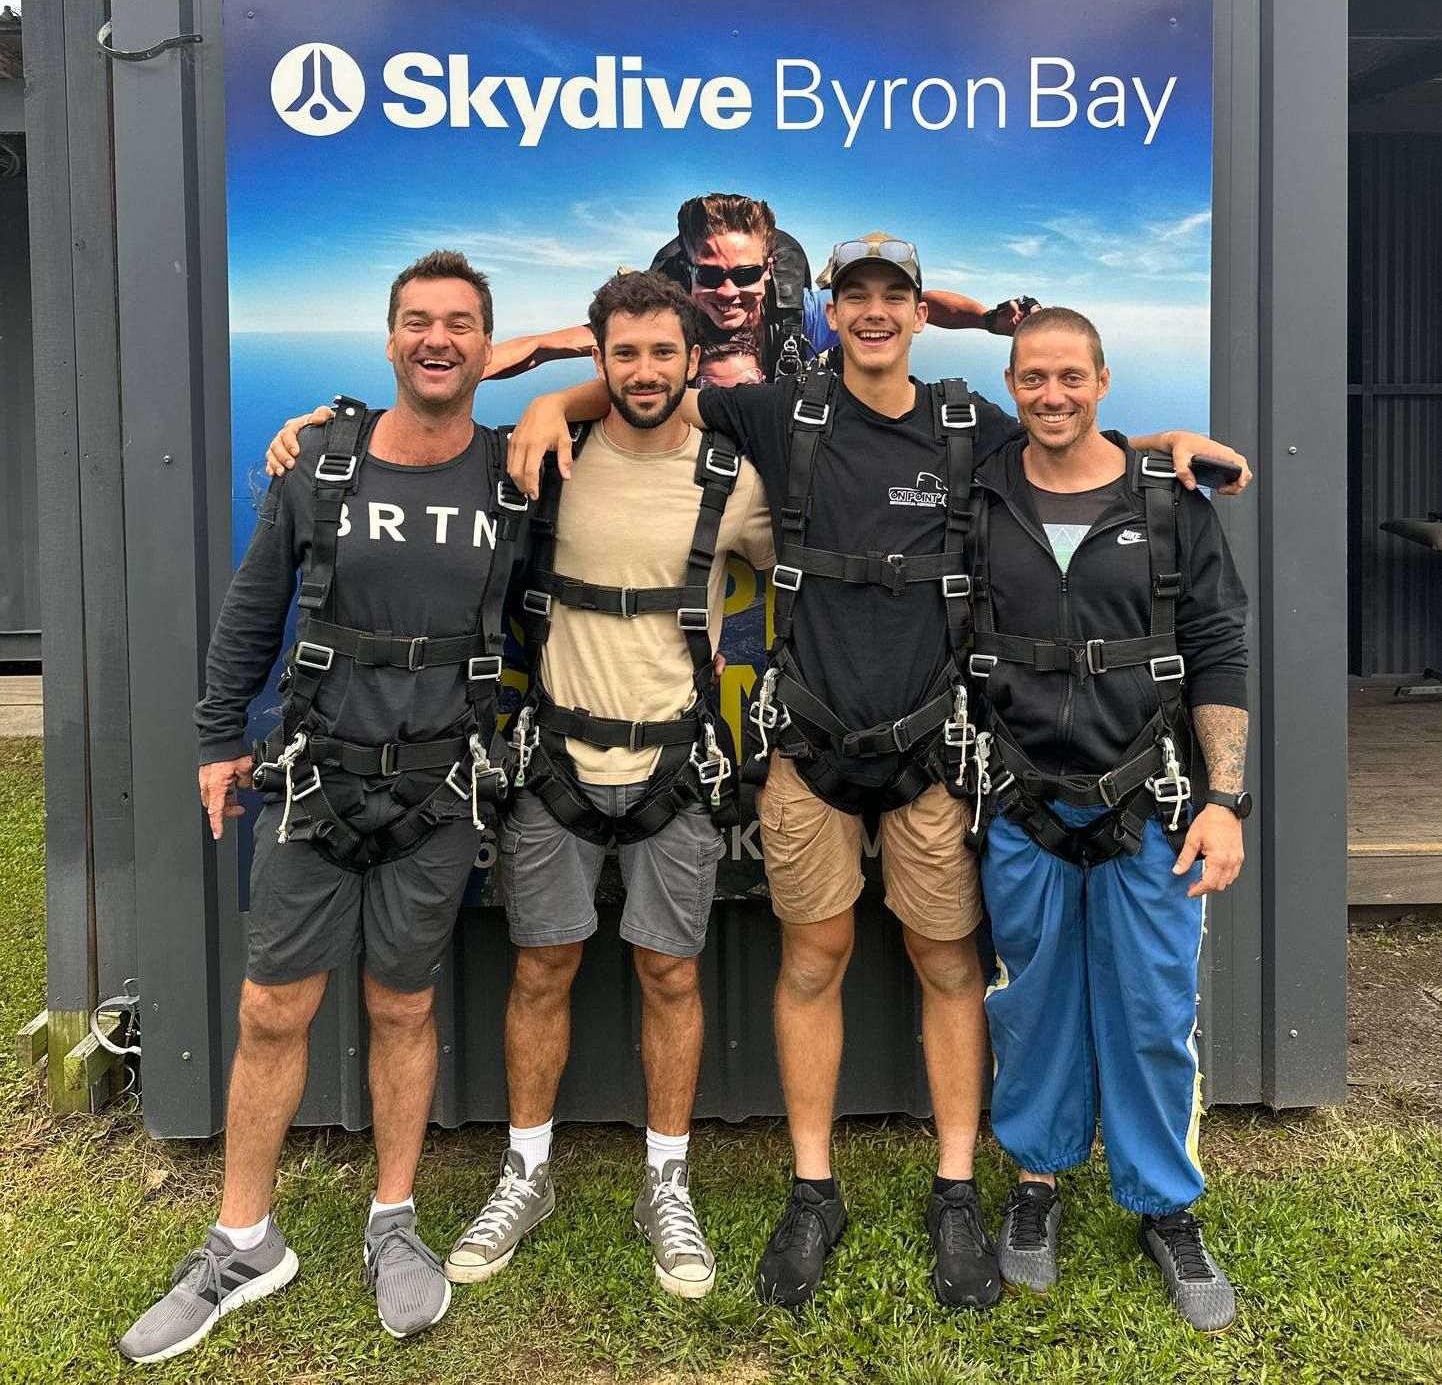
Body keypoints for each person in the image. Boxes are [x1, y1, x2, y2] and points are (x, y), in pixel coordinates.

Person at [504, 234, 1251, 1312]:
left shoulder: (968, 425)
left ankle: (957, 1189)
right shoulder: (779, 411)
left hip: (934, 753)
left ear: (916, 314)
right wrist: (551, 407)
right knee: (811, 958)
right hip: (808, 749)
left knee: (949, 964)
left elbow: (1068, 439)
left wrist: (1159, 444)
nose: (870, 313)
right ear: (831, 314)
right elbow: (646, 390)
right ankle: (814, 1188)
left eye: (889, 297)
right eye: (852, 296)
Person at [262, 270, 774, 1300]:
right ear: (597, 358)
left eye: (660, 353)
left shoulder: (734, 482)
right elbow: (427, 421)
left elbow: (824, 576)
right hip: (550, 766)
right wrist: (326, 424)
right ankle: (527, 1169)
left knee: (671, 975)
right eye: (619, 353)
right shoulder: (539, 461)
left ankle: (664, 1180)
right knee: (539, 968)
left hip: (672, 764)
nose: (640, 371)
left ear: (690, 362)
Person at [119, 251, 526, 1363]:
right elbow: (251, 614)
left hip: (437, 789)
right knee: (269, 1010)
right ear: (388, 338)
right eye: (414, 321)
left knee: (401, 1009)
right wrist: (215, 739)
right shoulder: (320, 468)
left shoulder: (517, 473)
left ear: (491, 346)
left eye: (458, 324)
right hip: (311, 780)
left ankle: (393, 1222)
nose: (435, 339)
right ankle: (242, 1240)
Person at [967, 307, 1249, 1333]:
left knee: (1149, 1009)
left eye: (1069, 378)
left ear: (1103, 380)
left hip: (1154, 800)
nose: (1050, 395)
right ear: (1008, 384)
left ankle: (1163, 1202)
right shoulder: (980, 496)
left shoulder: (1169, 504)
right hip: (1021, 797)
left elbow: (1218, 646)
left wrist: (1221, 800)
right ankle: (1035, 1181)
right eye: (1031, 378)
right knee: (1031, 1002)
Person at [483, 194, 1037, 383]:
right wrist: (463, 373)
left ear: (769, 271)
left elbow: (919, 305)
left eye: (746, 275)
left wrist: (988, 320)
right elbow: (541, 347)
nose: (729, 292)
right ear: (688, 272)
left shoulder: (800, 314)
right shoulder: (659, 323)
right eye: (710, 275)